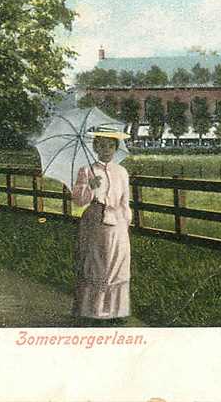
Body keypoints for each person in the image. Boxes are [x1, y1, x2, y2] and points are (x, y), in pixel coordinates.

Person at [71, 128, 132, 324]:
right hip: (95, 220)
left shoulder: (121, 172)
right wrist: (90, 187)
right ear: (95, 146)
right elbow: (78, 201)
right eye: (102, 145)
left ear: (116, 148)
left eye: (111, 145)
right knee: (96, 264)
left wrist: (125, 222)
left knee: (117, 265)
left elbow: (125, 201)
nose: (106, 149)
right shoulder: (87, 170)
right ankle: (93, 312)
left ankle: (115, 312)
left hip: (117, 223)